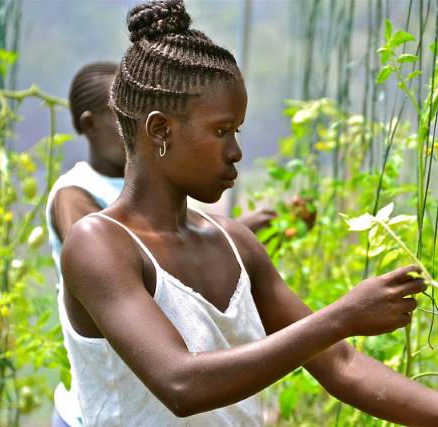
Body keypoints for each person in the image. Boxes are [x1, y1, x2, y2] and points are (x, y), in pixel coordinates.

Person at [57, 1, 438, 425]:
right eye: (221, 131)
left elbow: (341, 366)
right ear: (160, 130)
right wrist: (342, 317)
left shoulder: (233, 242)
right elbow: (181, 384)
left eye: (237, 131)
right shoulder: (98, 244)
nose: (235, 152)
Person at [46, 62, 275, 426]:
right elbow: (117, 252)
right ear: (90, 125)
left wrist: (235, 238)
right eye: (119, 115)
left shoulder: (178, 206)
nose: (129, 124)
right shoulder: (77, 199)